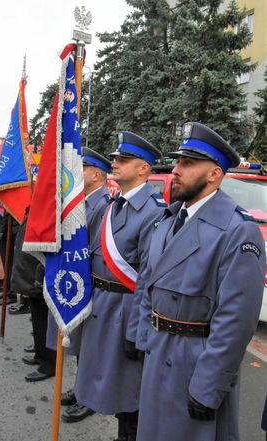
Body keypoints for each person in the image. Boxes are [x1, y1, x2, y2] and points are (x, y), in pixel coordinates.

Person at [135, 122, 265, 441]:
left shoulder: (237, 231)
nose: (176, 170)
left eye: (188, 163)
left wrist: (209, 385)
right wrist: (143, 340)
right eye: (178, 162)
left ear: (214, 175)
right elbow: (147, 284)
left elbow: (235, 321)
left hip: (194, 364)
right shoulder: (168, 219)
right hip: (158, 353)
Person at [73, 132, 167, 441]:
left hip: (126, 311)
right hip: (104, 303)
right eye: (115, 158)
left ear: (143, 169)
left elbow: (149, 277)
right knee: (114, 385)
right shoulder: (115, 204)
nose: (115, 163)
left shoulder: (153, 211)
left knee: (129, 388)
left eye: (123, 159)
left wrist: (136, 331)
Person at [61, 147, 112, 422]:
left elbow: (94, 249)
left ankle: (88, 396)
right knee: (84, 344)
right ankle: (82, 388)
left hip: (93, 284)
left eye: (82, 169)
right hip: (82, 283)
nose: (76, 173)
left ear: (96, 174)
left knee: (93, 348)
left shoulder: (102, 204)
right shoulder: (85, 200)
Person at [10, 206, 57, 382]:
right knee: (38, 318)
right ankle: (40, 353)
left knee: (46, 320)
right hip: (34, 270)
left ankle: (49, 363)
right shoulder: (37, 202)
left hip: (42, 270)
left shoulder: (52, 202)